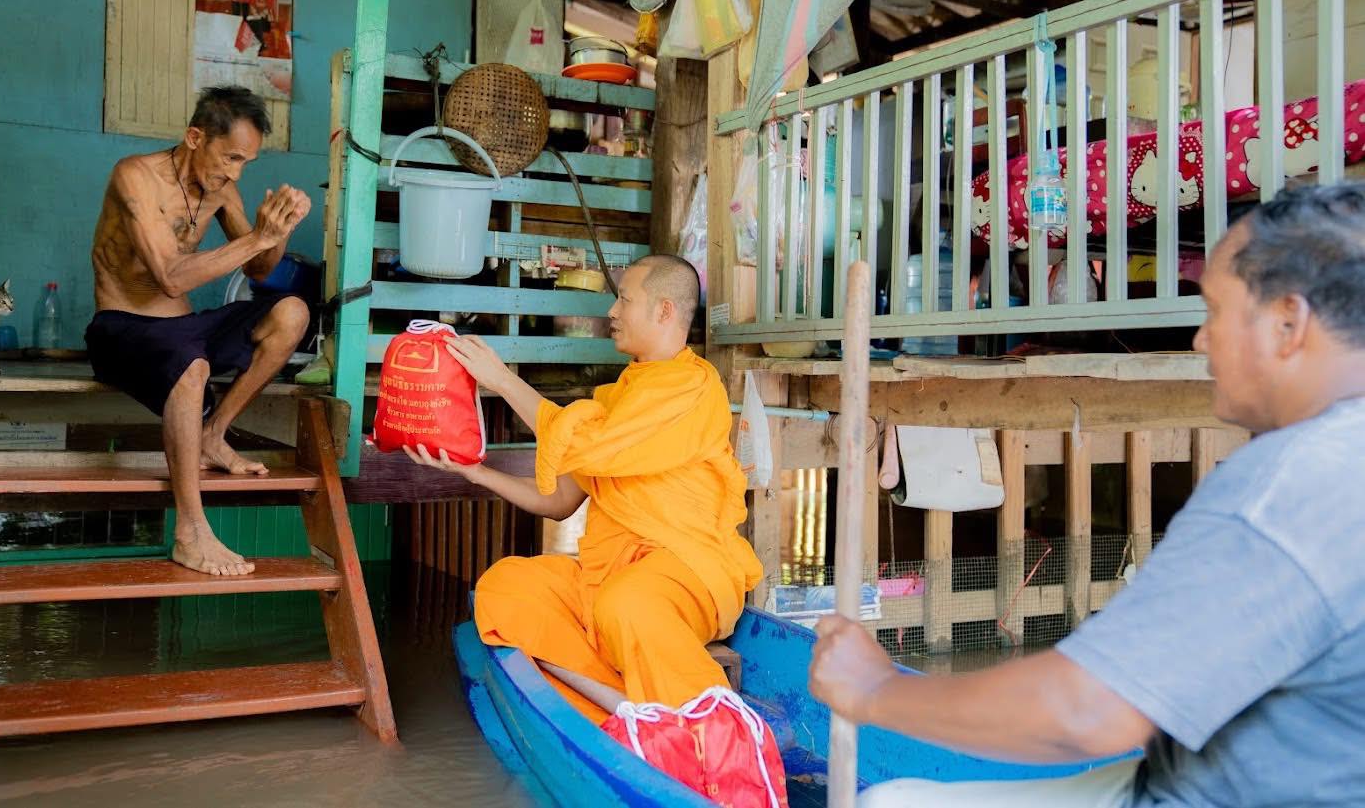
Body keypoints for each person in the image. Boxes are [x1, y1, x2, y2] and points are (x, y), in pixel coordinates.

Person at [808, 182, 1365, 806]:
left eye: (1213, 311)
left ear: (1289, 323)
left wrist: (876, 688)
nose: (1200, 341)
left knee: (891, 802)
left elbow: (1085, 714)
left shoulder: (1285, 490)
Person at [404, 255, 762, 722]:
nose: (612, 312)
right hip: (612, 580)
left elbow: (576, 441)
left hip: (687, 575)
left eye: (625, 299)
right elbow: (558, 502)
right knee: (506, 587)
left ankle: (711, 729)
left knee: (626, 605)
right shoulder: (617, 400)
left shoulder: (691, 388)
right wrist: (475, 472)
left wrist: (504, 382)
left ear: (665, 311)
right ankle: (623, 705)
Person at [88, 86, 312, 577]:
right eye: (230, 156)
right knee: (194, 367)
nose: (235, 173)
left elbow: (259, 270)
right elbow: (169, 275)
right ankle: (190, 533)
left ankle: (214, 432)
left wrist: (279, 232)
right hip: (121, 327)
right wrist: (258, 237)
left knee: (292, 312)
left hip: (182, 329)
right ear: (194, 137)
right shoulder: (136, 177)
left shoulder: (222, 189)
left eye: (246, 163)